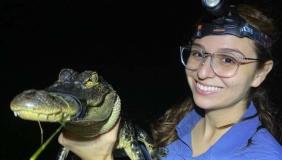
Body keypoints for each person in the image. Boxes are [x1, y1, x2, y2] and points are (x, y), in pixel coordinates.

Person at [58, 1, 282, 160]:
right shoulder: (177, 122)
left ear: (260, 73)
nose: (203, 72)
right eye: (198, 53)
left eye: (227, 59)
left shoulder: (262, 155)